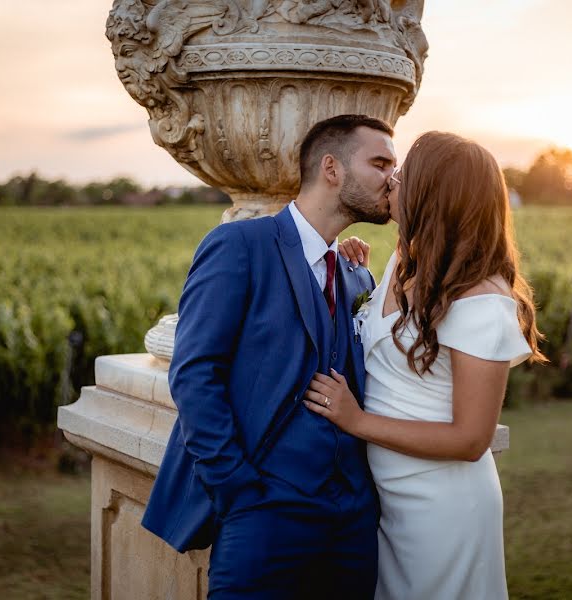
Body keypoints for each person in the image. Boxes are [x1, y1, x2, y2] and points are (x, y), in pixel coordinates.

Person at [141, 114, 398, 599]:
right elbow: (196, 373)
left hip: (352, 519)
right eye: (380, 163)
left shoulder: (345, 268)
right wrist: (237, 487)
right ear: (332, 169)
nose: (393, 178)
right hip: (263, 509)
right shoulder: (239, 245)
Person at [306, 132, 547, 600]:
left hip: (444, 506)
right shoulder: (404, 258)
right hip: (387, 498)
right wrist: (352, 265)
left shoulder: (480, 299)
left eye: (404, 175)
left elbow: (471, 439)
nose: (392, 182)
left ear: (434, 194)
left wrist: (357, 421)